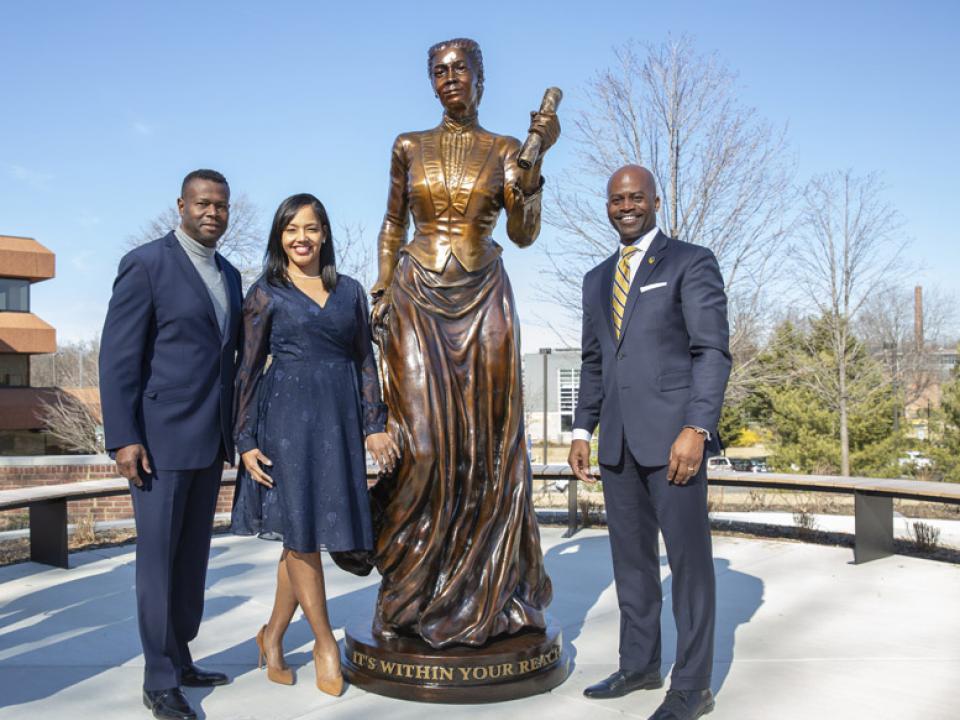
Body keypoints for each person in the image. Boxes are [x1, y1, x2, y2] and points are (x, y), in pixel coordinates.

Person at [364, 37, 560, 648]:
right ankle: (412, 591)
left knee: (485, 448)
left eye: (461, 70)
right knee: (421, 445)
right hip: (416, 295)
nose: (450, 79)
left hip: (484, 301)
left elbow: (524, 234)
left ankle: (488, 593)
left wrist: (534, 168)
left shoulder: (506, 149)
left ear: (480, 78)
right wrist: (379, 287)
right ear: (432, 81)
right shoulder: (407, 145)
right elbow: (394, 222)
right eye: (440, 71)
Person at [568, 165, 731, 720]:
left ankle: (692, 686)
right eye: (617, 199)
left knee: (688, 564)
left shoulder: (691, 262)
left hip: (673, 443)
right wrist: (580, 430)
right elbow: (594, 362)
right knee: (631, 564)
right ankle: (639, 664)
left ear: (655, 201)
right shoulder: (595, 279)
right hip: (615, 444)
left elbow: (711, 351)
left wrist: (697, 427)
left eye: (636, 197)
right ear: (607, 205)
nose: (626, 206)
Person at [231, 193, 397, 694]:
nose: (300, 238)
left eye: (310, 228)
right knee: (302, 537)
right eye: (290, 229)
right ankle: (325, 643)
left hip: (340, 420)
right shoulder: (265, 293)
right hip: (284, 423)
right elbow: (247, 369)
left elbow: (365, 361)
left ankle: (273, 637)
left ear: (325, 233)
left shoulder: (349, 292)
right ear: (279, 237)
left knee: (301, 535)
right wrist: (243, 438)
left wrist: (374, 422)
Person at [99, 169, 243, 720]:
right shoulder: (147, 264)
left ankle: (180, 657)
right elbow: (118, 358)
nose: (213, 212)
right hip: (157, 443)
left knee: (191, 559)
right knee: (158, 563)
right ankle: (158, 680)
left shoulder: (229, 275)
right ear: (181, 206)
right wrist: (124, 437)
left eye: (222, 206)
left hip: (209, 440)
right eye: (203, 203)